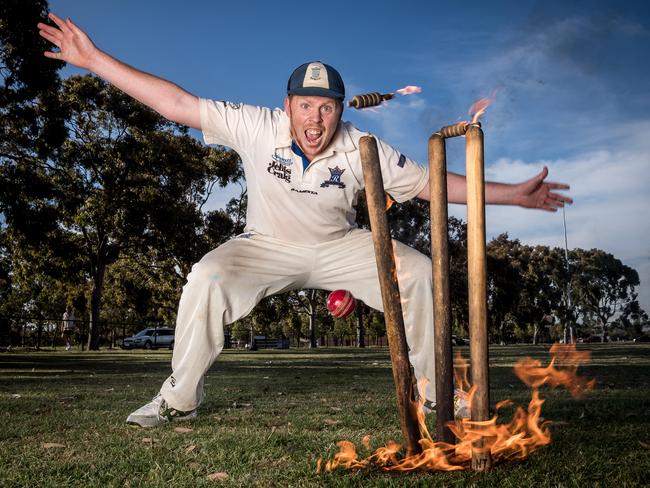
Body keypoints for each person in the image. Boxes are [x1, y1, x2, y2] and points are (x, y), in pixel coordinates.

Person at [38, 13, 572, 427]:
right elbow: (176, 102)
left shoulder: (364, 146)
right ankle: (178, 400)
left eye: (327, 108)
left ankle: (432, 390)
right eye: (305, 106)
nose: (315, 120)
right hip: (265, 244)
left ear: (340, 109)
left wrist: (513, 198)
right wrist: (95, 59)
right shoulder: (253, 125)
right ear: (287, 104)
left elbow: (434, 185)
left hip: (342, 245)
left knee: (419, 270)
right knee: (206, 277)